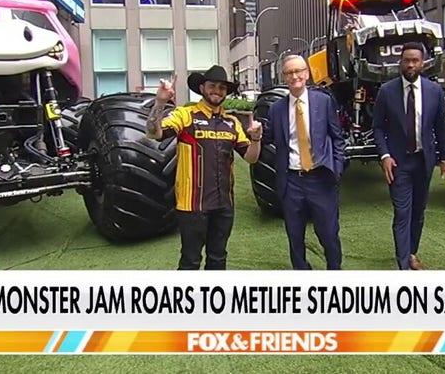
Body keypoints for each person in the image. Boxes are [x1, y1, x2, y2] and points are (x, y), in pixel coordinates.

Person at [145, 66, 263, 270]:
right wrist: (160, 102)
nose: (216, 91)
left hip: (224, 206)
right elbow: (154, 133)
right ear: (202, 87)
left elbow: (251, 158)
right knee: (190, 261)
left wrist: (256, 138)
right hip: (192, 207)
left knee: (218, 259)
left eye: (221, 87)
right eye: (212, 86)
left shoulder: (232, 123)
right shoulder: (186, 115)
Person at [372, 42, 445, 270]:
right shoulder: (387, 91)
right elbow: (378, 127)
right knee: (402, 212)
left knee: (418, 211)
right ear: (401, 62)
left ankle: (412, 253)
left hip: (423, 161)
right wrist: (384, 155)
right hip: (398, 162)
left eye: (415, 60)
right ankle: (403, 265)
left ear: (422, 63)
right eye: (406, 60)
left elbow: (440, 129)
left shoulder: (434, 91)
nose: (410, 64)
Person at [265, 55, 345, 270]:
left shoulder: (323, 102)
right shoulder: (277, 109)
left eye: (299, 71)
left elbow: (337, 138)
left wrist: (336, 169)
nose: (295, 76)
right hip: (292, 181)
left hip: (321, 178)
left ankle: (334, 271)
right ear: (285, 77)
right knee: (294, 235)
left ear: (307, 74)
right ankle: (302, 273)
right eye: (290, 73)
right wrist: (255, 133)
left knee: (328, 233)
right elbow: (268, 138)